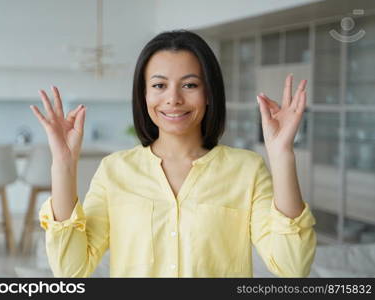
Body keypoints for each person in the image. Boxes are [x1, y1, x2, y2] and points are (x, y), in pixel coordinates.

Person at [31, 30, 316, 278]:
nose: (173, 98)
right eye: (159, 85)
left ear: (208, 93)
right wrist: (63, 164)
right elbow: (71, 269)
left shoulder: (247, 170)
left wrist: (281, 155)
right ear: (144, 95)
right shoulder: (114, 170)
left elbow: (292, 267)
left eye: (189, 85)